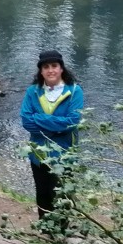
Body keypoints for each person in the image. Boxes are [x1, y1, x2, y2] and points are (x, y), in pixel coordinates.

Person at [20, 50, 84, 226]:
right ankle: (45, 229)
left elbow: (72, 122)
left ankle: (61, 230)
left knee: (62, 194)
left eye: (54, 66)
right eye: (46, 67)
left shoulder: (75, 91)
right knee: (43, 193)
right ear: (41, 71)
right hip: (39, 153)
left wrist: (40, 119)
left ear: (61, 68)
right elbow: (26, 121)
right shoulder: (33, 91)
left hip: (64, 153)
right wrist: (55, 128)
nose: (51, 70)